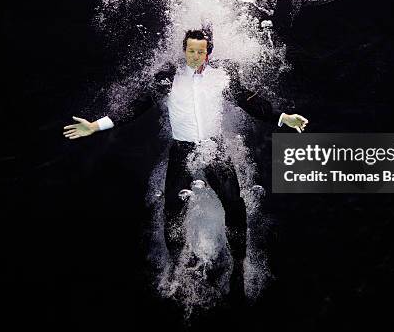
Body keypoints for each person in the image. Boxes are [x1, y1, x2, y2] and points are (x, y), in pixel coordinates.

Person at [63, 29, 308, 302]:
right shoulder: (168, 80)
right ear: (184, 50)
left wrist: (283, 117)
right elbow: (135, 107)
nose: (194, 56)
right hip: (182, 150)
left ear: (208, 53)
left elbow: (252, 103)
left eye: (200, 51)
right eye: (190, 50)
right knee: (172, 211)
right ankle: (177, 264)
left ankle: (238, 263)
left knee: (235, 204)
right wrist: (95, 126)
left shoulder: (221, 79)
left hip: (213, 149)